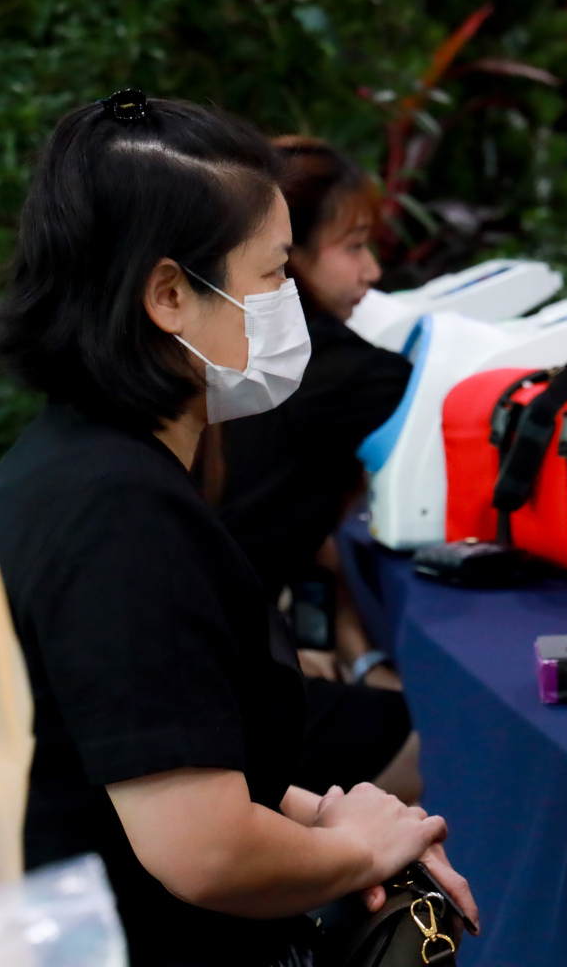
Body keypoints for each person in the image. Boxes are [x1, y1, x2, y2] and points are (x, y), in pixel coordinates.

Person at [0, 93, 475, 965]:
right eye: (273, 275)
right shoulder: (118, 514)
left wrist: (332, 816)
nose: (290, 304)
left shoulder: (77, 461)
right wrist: (360, 851)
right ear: (169, 295)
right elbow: (203, 851)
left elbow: (165, 758)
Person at [214, 135, 418, 799]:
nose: (372, 271)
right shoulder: (341, 372)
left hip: (214, 660)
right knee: (431, 741)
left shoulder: (225, 355)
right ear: (288, 255)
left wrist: (334, 647)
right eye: (353, 247)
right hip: (213, 690)